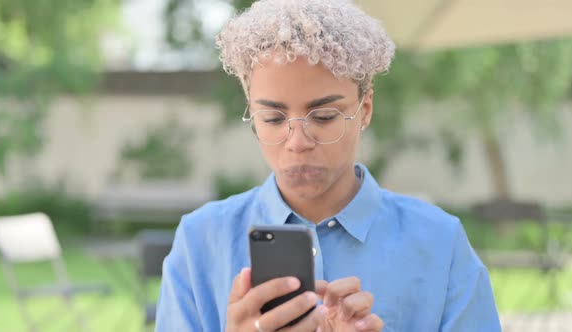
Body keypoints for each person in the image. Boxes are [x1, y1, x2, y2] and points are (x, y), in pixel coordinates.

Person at [155, 0, 501, 331]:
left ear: (364, 109)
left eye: (323, 116)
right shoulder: (200, 241)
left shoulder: (440, 243)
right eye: (273, 118)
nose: (298, 141)